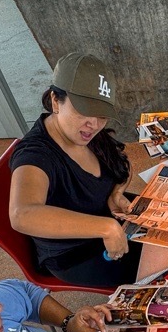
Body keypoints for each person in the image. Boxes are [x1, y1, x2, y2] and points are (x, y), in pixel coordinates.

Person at [9, 52, 141, 289]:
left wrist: (115, 193)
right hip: (77, 255)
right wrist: (106, 227)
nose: (94, 124)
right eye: (83, 111)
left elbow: (122, 163)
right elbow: (22, 214)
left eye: (101, 115)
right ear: (55, 101)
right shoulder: (36, 154)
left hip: (111, 222)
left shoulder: (87, 134)